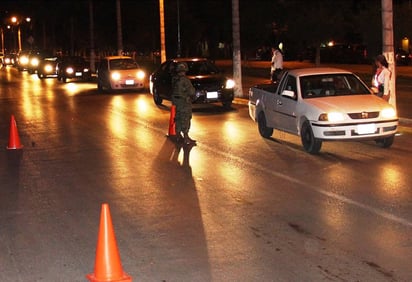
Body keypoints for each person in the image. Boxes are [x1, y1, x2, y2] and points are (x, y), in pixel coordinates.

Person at [172, 62, 196, 145]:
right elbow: (191, 91)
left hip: (176, 102)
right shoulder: (185, 80)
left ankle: (178, 135)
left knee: (178, 118)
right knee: (185, 118)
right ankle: (186, 137)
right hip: (184, 102)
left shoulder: (175, 79)